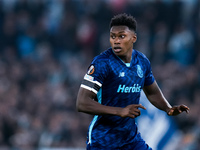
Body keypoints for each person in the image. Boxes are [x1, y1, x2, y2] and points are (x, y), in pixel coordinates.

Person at [76, 13, 189, 150]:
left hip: (130, 139)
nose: (116, 41)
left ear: (133, 38)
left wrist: (168, 108)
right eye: (113, 37)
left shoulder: (142, 62)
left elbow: (152, 92)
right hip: (103, 140)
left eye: (121, 36)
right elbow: (82, 102)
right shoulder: (102, 64)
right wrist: (119, 111)